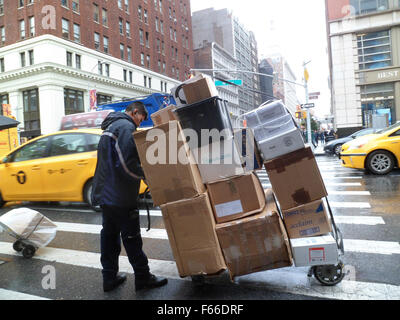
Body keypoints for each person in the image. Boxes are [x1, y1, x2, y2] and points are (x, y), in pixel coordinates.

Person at [92, 101, 168, 292]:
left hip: (107, 194)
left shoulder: (111, 127)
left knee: (109, 237)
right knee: (132, 237)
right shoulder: (125, 127)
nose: (139, 125)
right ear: (135, 112)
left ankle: (109, 278)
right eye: (141, 120)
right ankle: (143, 278)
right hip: (120, 195)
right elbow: (126, 163)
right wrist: (147, 176)